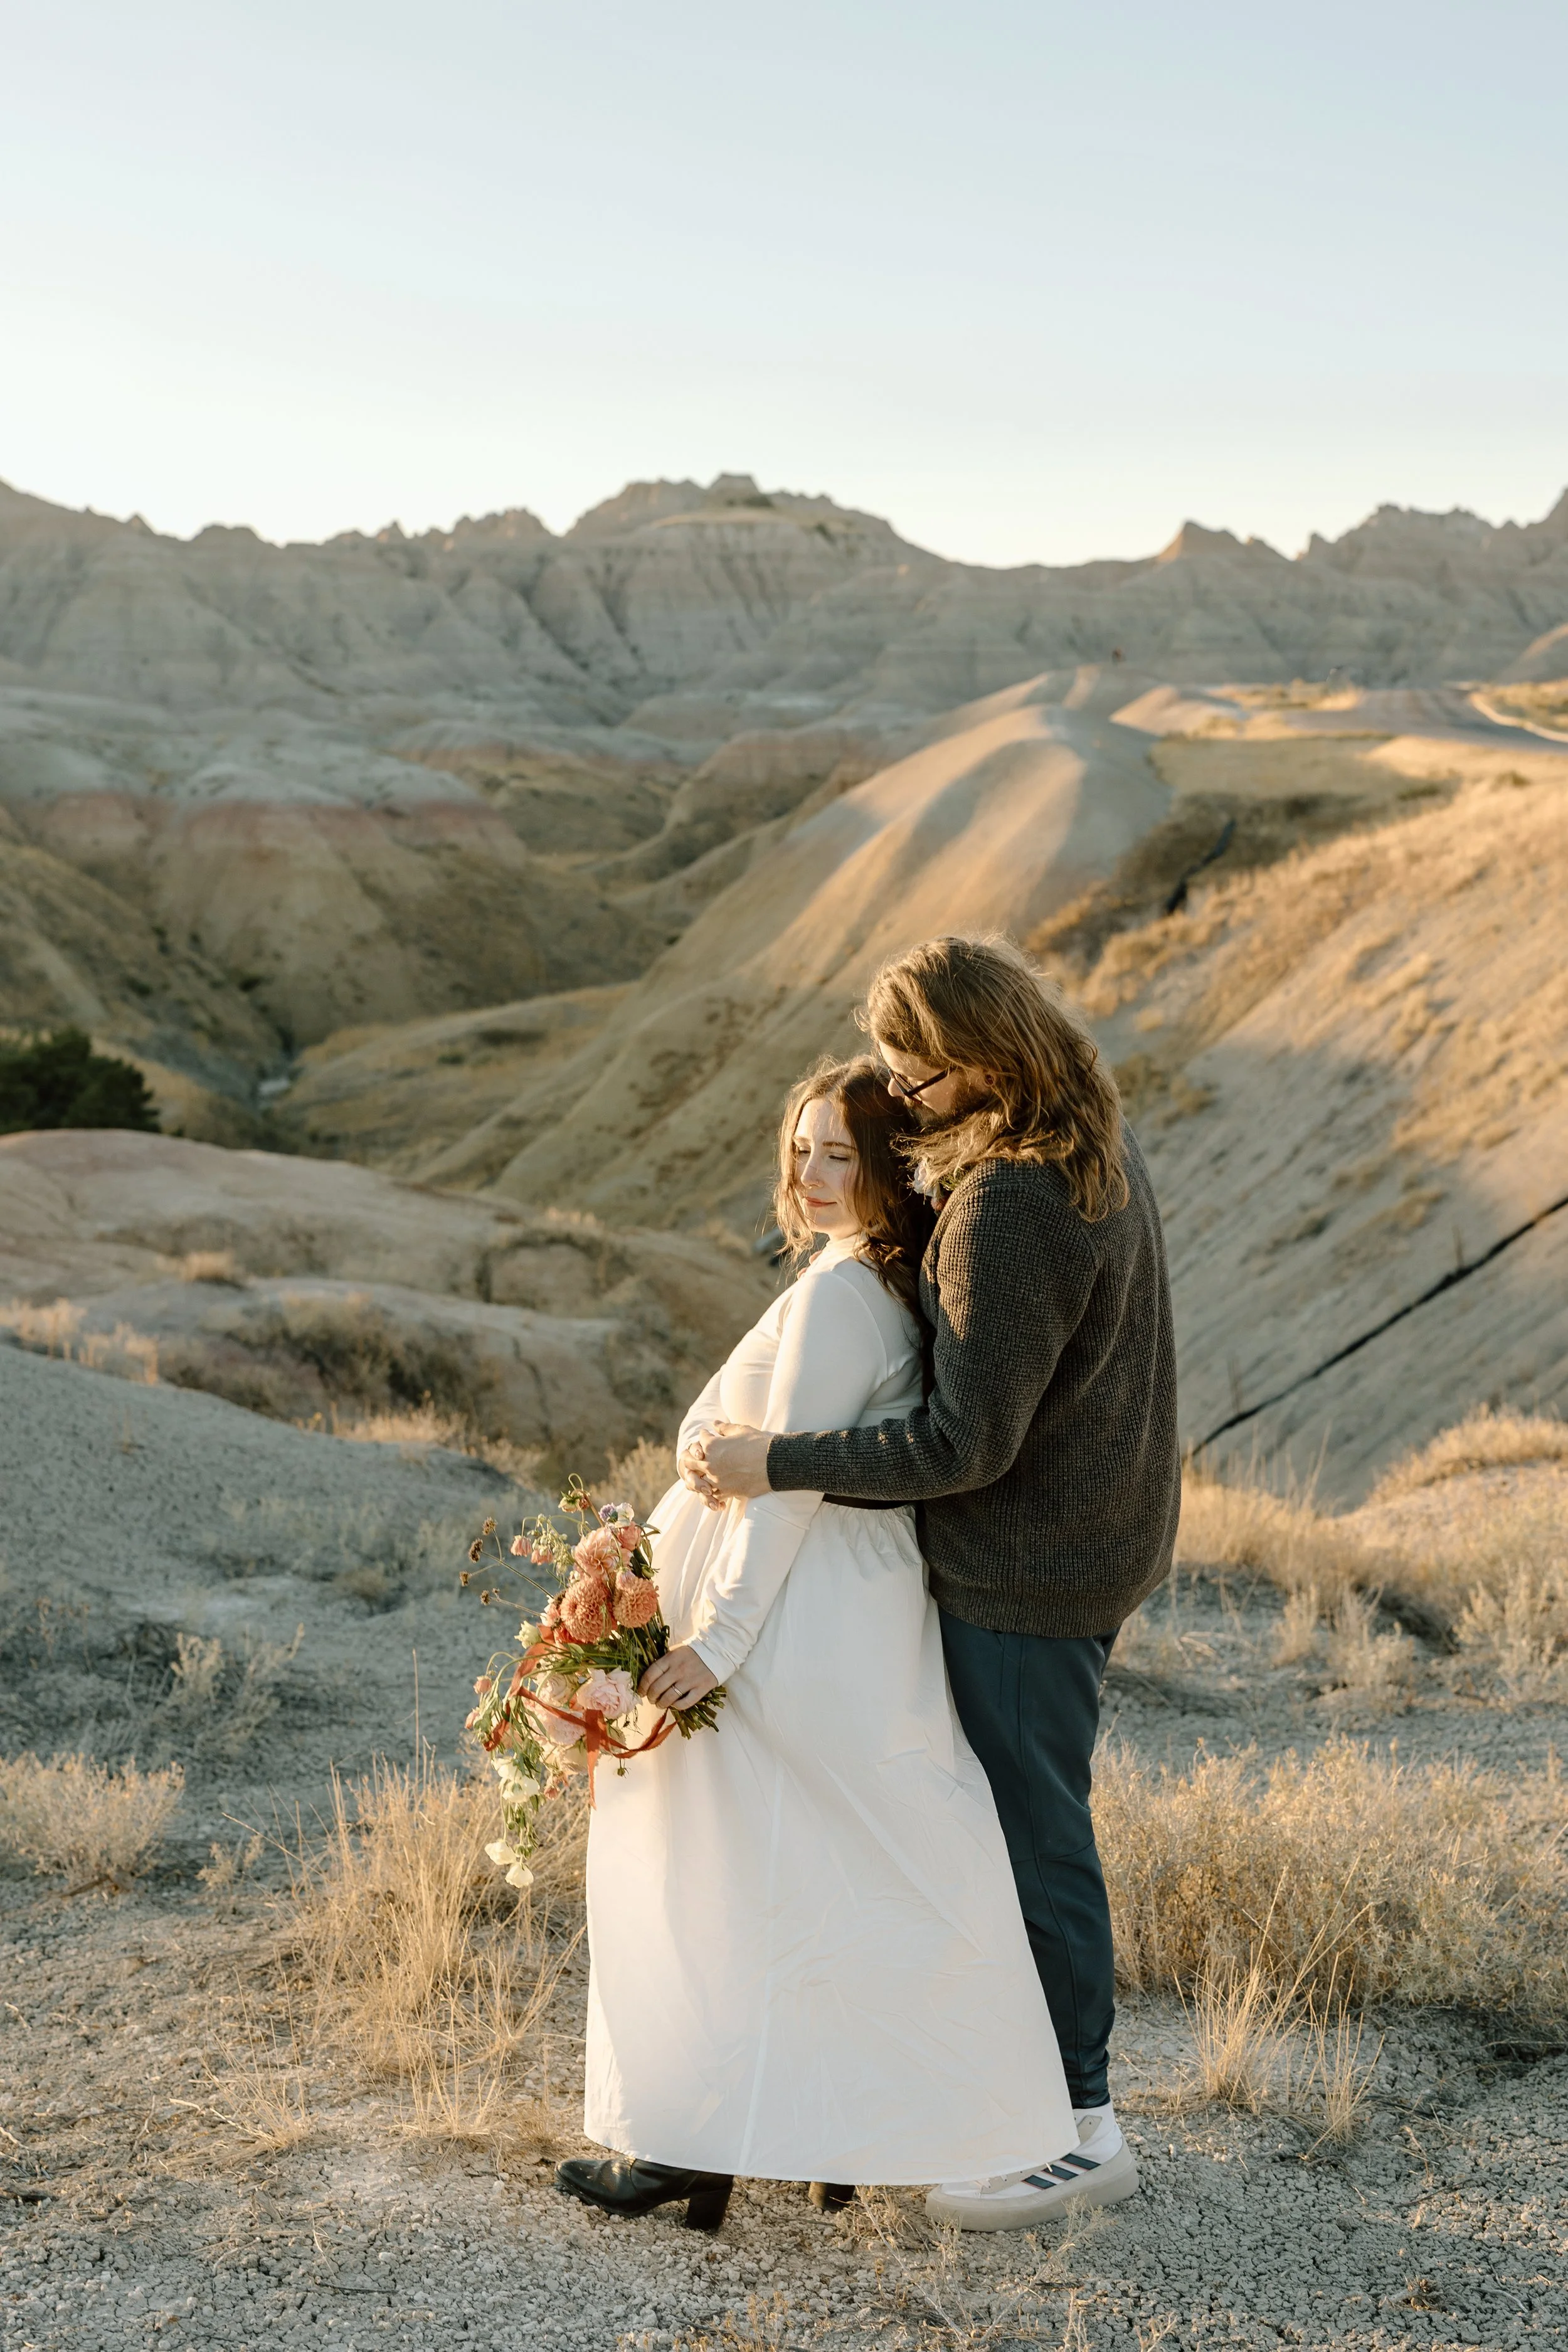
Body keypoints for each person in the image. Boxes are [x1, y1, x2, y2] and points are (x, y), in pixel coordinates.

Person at [690, 935, 1180, 2232]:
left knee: (1028, 1840)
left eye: (917, 1079)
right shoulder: (1092, 1140)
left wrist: (770, 1460)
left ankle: (1079, 2131)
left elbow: (961, 1446)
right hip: (1096, 1534)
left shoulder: (1008, 1200)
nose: (898, 1099)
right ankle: (1007, 2099)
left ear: (982, 1058)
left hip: (1027, 1570)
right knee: (1026, 1823)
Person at [554, 1056, 1077, 2234]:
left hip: (797, 1610)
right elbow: (731, 1419)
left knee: (714, 1871)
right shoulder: (858, 1276)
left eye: (841, 1151)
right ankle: (792, 2138)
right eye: (802, 1148)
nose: (813, 1172)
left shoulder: (849, 1297)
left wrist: (720, 1643)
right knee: (802, 1869)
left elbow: (785, 1482)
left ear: (895, 1161)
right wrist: (701, 1443)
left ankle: (692, 2139)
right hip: (831, 1598)